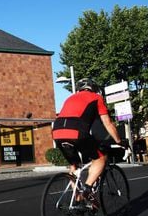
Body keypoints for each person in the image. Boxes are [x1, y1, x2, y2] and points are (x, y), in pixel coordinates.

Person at [52, 78, 123, 208]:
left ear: (79, 89)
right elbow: (107, 123)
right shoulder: (96, 97)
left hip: (57, 132)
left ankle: (77, 197)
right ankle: (87, 189)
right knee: (100, 158)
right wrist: (119, 140)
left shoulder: (70, 98)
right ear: (93, 88)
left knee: (74, 165)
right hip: (76, 132)